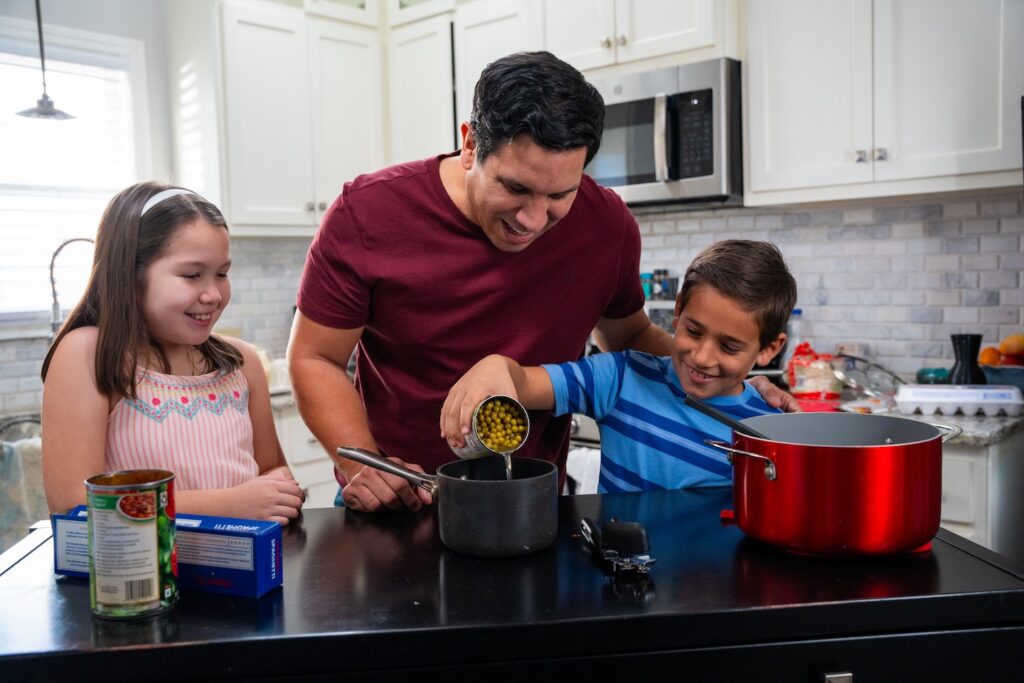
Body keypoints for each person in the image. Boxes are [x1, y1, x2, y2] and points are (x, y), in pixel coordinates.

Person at [288, 51, 795, 513]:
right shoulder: (368, 213)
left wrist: (728, 380)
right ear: (469, 145)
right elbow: (315, 357)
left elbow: (632, 339)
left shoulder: (607, 225)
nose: (532, 219)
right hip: (395, 492)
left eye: (559, 195)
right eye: (515, 188)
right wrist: (364, 464)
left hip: (529, 498)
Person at [41, 182, 304, 525]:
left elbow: (272, 474)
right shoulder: (89, 354)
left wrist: (284, 493)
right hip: (143, 574)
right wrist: (230, 504)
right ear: (130, 275)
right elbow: (72, 505)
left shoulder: (241, 364)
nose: (213, 294)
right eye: (192, 275)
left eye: (222, 273)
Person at [441, 240, 797, 492]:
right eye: (693, 331)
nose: (702, 357)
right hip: (612, 582)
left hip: (712, 590)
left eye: (729, 346)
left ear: (769, 349)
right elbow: (524, 385)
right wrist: (497, 366)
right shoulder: (621, 377)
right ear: (677, 312)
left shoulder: (771, 432)